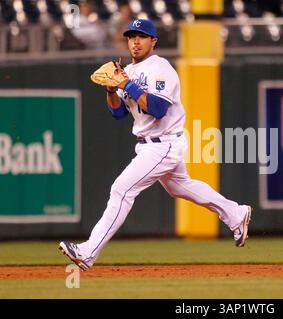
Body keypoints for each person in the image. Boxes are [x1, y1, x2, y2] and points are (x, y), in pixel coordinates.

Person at [59, 19, 252, 271]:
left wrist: (125, 84)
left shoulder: (161, 69)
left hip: (164, 144)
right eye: (131, 37)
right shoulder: (128, 70)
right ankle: (235, 213)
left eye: (141, 36)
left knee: (121, 190)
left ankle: (88, 251)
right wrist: (110, 90)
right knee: (181, 187)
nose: (135, 41)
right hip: (150, 144)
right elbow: (118, 114)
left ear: (153, 41)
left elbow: (159, 109)